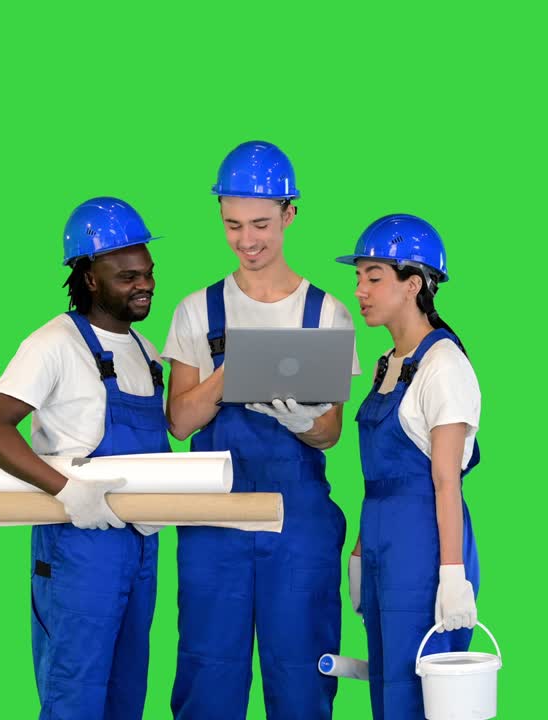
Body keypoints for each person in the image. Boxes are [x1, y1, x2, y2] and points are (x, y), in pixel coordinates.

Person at [162, 141, 359, 719]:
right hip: (213, 522)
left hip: (297, 524)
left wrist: (300, 418)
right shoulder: (197, 310)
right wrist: (232, 374)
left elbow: (329, 433)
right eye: (232, 224)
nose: (247, 240)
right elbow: (179, 421)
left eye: (261, 224)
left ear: (289, 214)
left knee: (300, 672)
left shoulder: (326, 314)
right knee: (207, 671)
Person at [0, 197, 168, 720]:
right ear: (88, 279)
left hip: (141, 545)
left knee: (127, 690)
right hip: (78, 546)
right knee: (75, 691)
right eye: (127, 277)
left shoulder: (149, 354)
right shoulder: (53, 343)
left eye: (147, 273)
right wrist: (65, 490)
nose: (144, 284)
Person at [335, 214, 483, 720]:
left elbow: (445, 479)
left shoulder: (443, 366)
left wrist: (452, 575)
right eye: (358, 277)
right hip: (381, 540)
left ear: (413, 284)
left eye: (374, 277)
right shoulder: (386, 364)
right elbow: (375, 477)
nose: (360, 290)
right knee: (385, 684)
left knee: (417, 692)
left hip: (424, 544)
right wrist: (359, 552)